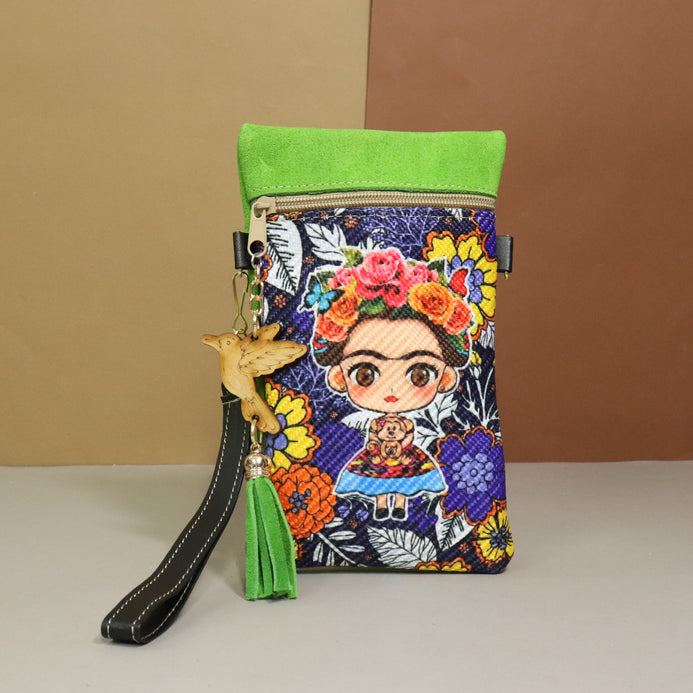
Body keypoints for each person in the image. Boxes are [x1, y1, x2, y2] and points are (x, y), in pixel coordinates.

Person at [303, 246, 473, 520]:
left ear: (446, 377)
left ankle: (399, 505)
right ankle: (383, 505)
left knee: (402, 481)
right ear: (338, 377)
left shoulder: (405, 426)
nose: (393, 391)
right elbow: (373, 437)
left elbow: (407, 435)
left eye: (420, 374)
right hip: (381, 456)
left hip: (403, 457)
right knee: (380, 481)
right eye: (365, 374)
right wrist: (375, 445)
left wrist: (401, 442)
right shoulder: (379, 425)